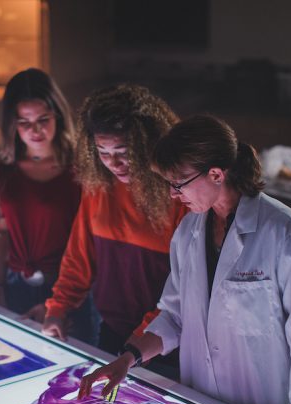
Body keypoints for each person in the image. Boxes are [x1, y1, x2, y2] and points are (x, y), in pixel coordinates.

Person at [78, 115, 291, 404]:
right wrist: (127, 359)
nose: (173, 195)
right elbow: (174, 317)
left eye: (179, 183)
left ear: (216, 173)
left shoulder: (283, 231)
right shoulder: (188, 232)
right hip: (202, 399)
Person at [26, 84, 188, 355]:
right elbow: (78, 259)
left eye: (123, 153)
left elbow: (186, 289)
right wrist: (58, 309)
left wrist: (143, 341)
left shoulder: (180, 194)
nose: (113, 163)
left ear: (147, 144)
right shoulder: (99, 187)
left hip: (166, 340)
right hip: (113, 330)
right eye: (103, 153)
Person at [0, 68, 98, 345]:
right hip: (15, 284)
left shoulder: (81, 167)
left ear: (58, 115)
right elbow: (2, 232)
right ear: (11, 124)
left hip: (69, 287)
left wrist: (61, 303)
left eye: (43, 119)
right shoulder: (1, 168)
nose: (35, 130)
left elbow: (95, 243)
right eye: (24, 122)